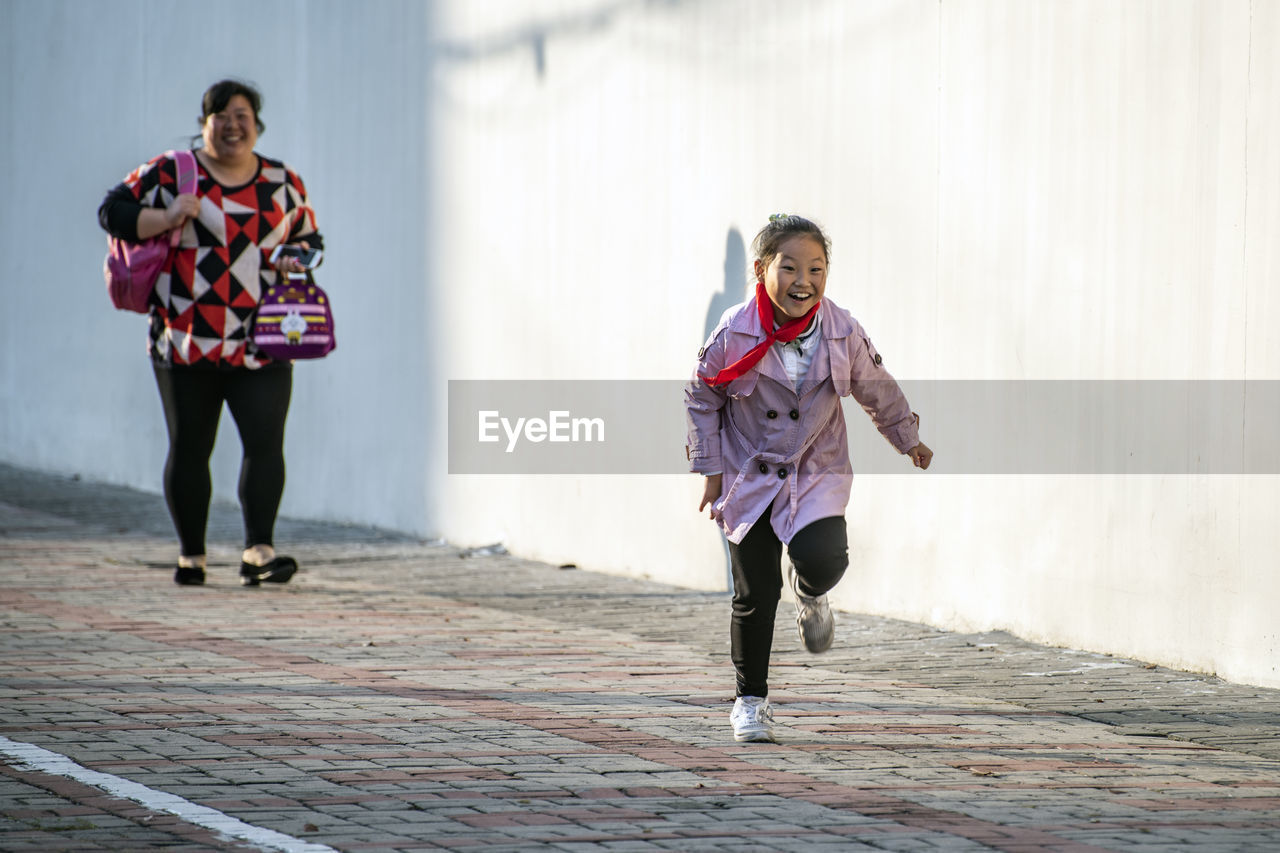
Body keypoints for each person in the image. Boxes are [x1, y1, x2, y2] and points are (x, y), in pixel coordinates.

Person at [685, 214, 932, 743]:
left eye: (816, 269)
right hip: (748, 474)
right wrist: (709, 470)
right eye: (790, 267)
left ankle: (813, 593)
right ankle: (750, 702)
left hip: (815, 468)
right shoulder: (734, 331)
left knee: (824, 558)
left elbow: (875, 386)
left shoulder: (841, 330)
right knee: (755, 591)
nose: (804, 281)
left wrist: (906, 436)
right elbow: (702, 396)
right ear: (760, 270)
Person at [98, 79, 323, 587]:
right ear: (204, 124)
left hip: (261, 342)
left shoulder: (283, 182)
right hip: (185, 340)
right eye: (219, 115)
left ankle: (258, 552)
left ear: (257, 124)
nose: (231, 125)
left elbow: (309, 238)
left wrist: (297, 258)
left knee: (266, 446)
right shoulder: (173, 173)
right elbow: (112, 212)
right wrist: (168, 214)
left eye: (241, 115)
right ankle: (191, 556)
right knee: (190, 447)